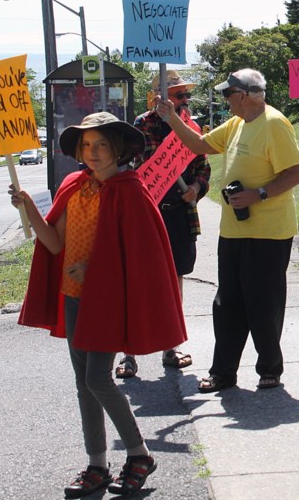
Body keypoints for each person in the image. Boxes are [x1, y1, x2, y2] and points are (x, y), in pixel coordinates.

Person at [10, 112, 185, 498]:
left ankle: (139, 453)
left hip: (108, 299)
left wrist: (95, 266)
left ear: (118, 149)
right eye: (87, 145)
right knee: (83, 383)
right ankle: (97, 464)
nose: (93, 152)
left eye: (102, 144)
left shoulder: (130, 190)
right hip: (73, 297)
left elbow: (140, 255)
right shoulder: (73, 187)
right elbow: (55, 245)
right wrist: (29, 210)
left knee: (97, 378)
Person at [155, 68, 299, 393]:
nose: (225, 100)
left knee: (263, 303)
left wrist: (259, 194)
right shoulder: (237, 124)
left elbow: (297, 173)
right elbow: (198, 145)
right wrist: (171, 118)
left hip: (268, 233)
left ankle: (269, 369)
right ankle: (223, 373)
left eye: (228, 94)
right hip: (234, 231)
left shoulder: (274, 123)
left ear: (244, 94)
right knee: (227, 304)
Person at [116, 70, 211, 379]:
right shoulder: (141, 126)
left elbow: (203, 165)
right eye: (179, 95)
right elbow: (130, 166)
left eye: (185, 95)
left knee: (176, 279)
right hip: (148, 215)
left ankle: (171, 346)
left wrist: (196, 188)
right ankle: (129, 353)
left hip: (179, 216)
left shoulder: (191, 126)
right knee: (139, 281)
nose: (184, 100)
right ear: (159, 96)